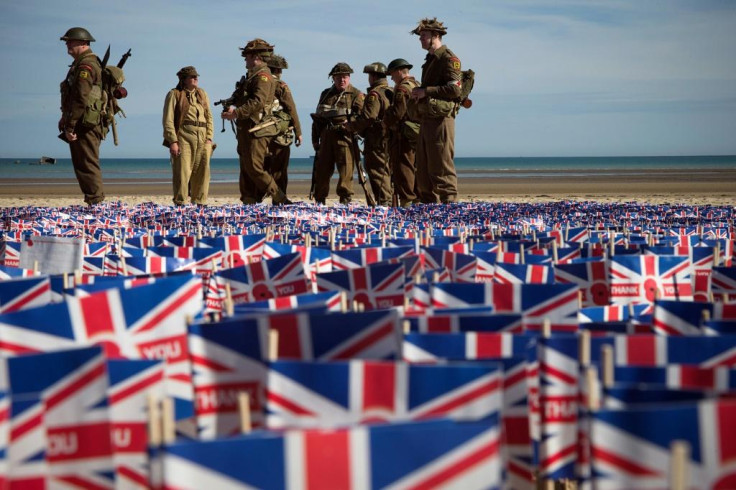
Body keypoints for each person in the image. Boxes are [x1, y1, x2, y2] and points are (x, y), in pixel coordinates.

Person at [222, 38, 291, 205]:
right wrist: (231, 105)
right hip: (245, 128)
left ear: (256, 57)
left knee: (254, 166)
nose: (245, 59)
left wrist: (236, 113)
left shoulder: (263, 76)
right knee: (246, 167)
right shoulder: (250, 77)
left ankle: (279, 197)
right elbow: (243, 97)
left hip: (257, 128)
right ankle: (248, 199)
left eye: (247, 56)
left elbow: (258, 101)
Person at [410, 17, 463, 204]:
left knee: (441, 168)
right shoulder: (430, 60)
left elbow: (455, 89)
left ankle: (450, 209)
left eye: (423, 35)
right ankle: (428, 212)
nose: (420, 39)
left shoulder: (448, 58)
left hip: (441, 120)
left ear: (436, 35)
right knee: (423, 172)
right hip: (427, 119)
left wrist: (426, 91)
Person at [59, 27, 106, 206]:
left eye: (70, 41)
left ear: (84, 43)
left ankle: (96, 202)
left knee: (86, 164)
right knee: (84, 164)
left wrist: (70, 126)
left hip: (85, 124)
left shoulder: (86, 65)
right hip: (83, 121)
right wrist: (65, 118)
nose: (67, 44)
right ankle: (94, 201)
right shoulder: (81, 64)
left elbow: (81, 97)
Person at [311, 63, 364, 205]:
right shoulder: (325, 94)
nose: (342, 80)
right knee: (322, 171)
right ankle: (319, 200)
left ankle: (345, 200)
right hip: (326, 137)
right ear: (333, 78)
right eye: (339, 77)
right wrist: (315, 139)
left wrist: (351, 124)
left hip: (345, 137)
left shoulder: (356, 94)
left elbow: (362, 118)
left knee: (346, 172)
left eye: (345, 77)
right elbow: (317, 119)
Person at [162, 66, 214, 206]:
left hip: (203, 138)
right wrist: (173, 140)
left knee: (203, 173)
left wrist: (209, 138)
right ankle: (181, 203)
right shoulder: (175, 94)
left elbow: (209, 117)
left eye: (196, 76)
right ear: (183, 80)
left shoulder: (202, 94)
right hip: (184, 137)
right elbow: (168, 120)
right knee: (182, 173)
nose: (195, 78)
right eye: (191, 76)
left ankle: (200, 203)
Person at [347, 63, 393, 206]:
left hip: (377, 139)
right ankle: (388, 202)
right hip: (390, 138)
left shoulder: (375, 94)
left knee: (378, 172)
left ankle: (384, 204)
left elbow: (368, 117)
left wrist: (352, 126)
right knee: (387, 172)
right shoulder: (391, 90)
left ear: (372, 77)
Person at [261, 54, 302, 200]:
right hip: (278, 134)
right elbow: (291, 108)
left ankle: (260, 198)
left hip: (260, 133)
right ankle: (280, 198)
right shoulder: (280, 85)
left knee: (263, 167)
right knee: (279, 169)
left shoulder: (259, 83)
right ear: (279, 70)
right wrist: (298, 131)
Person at [384, 58, 421, 207]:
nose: (391, 78)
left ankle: (407, 201)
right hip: (417, 132)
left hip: (403, 134)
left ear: (399, 71)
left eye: (392, 74)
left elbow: (398, 113)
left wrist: (385, 122)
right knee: (416, 168)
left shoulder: (402, 89)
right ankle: (417, 200)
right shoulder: (416, 84)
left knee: (404, 168)